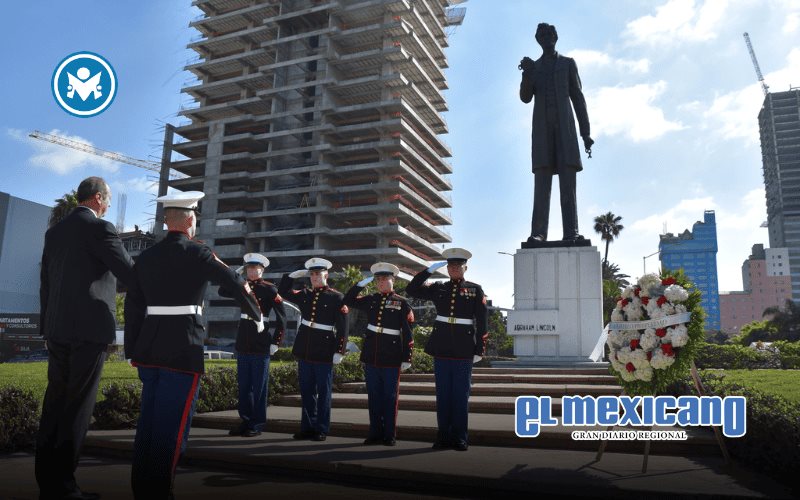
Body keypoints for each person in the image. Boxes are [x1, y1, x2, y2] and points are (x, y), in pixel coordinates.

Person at [124, 191, 261, 500]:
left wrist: (133, 350)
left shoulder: (146, 257)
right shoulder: (199, 252)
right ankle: (159, 492)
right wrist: (257, 313)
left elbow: (133, 307)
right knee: (171, 429)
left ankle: (142, 488)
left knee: (148, 424)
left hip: (148, 351)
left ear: (167, 221)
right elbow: (235, 282)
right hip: (183, 349)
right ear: (189, 221)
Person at [37, 176, 133, 500]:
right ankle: (65, 486)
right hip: (89, 330)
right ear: (97, 198)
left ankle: (47, 483)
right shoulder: (101, 228)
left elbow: (45, 283)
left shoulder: (54, 233)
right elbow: (128, 271)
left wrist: (46, 328)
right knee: (78, 407)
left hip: (57, 330)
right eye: (107, 200)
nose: (108, 205)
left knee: (54, 403)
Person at [519, 22, 594, 245]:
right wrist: (527, 75)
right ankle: (539, 232)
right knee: (542, 182)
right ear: (538, 40)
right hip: (542, 132)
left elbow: (578, 98)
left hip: (565, 130)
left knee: (568, 183)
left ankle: (571, 231)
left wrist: (585, 133)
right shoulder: (534, 67)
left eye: (549, 34)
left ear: (555, 37)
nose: (546, 38)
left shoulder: (568, 63)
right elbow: (525, 97)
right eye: (541, 35)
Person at [406, 248, 488, 451]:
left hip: (463, 348)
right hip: (441, 346)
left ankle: (460, 437)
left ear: (465, 268)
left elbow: (482, 321)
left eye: (458, 265)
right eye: (451, 266)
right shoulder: (439, 287)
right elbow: (411, 289)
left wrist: (480, 349)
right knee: (443, 395)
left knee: (460, 395)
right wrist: (428, 271)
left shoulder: (475, 289)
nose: (454, 268)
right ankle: (443, 436)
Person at [343, 262, 414, 446]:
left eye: (385, 279)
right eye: (378, 279)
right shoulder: (371, 299)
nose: (381, 282)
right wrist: (360, 284)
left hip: (391, 355)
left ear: (393, 280)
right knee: (374, 396)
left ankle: (389, 434)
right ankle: (375, 432)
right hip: (372, 354)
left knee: (390, 397)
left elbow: (408, 332)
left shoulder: (402, 302)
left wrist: (407, 356)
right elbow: (348, 300)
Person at [278, 258, 348, 442]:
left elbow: (343, 327)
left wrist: (339, 350)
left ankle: (321, 428)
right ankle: (307, 427)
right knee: (307, 391)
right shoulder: (305, 294)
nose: (315, 277)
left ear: (326, 275)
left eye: (318, 274)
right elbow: (282, 292)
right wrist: (291, 277)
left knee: (323, 393)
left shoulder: (337, 297)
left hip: (324, 350)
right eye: (312, 274)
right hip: (305, 349)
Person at [220, 253, 286, 438]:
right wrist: (236, 274)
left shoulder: (270, 289)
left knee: (259, 387)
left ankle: (256, 424)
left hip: (260, 342)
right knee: (244, 386)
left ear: (262, 270)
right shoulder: (242, 286)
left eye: (254, 268)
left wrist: (276, 341)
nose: (251, 271)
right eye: (248, 268)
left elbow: (282, 318)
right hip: (244, 341)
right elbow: (222, 291)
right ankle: (245, 421)